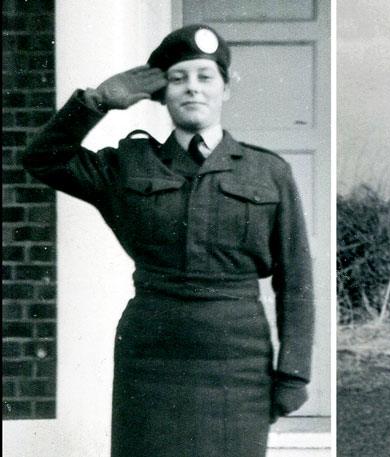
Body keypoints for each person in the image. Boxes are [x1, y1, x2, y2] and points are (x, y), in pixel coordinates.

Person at [23, 25, 313, 456]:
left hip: (237, 360)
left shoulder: (267, 172)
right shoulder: (129, 165)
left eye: (205, 77)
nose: (192, 89)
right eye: (178, 79)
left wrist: (293, 372)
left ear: (226, 89)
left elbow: (296, 279)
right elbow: (42, 159)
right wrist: (94, 103)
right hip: (152, 358)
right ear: (161, 94)